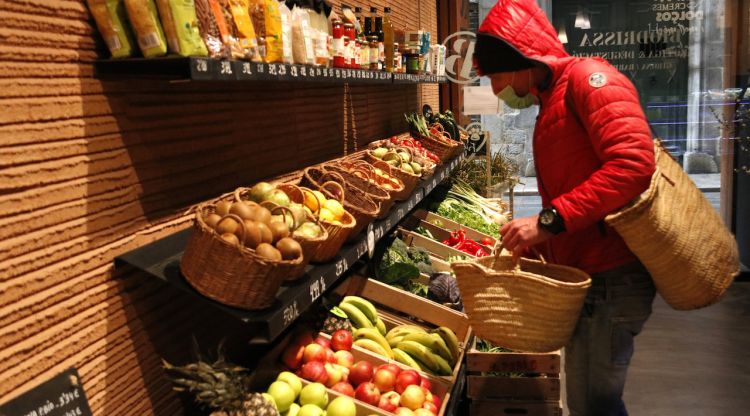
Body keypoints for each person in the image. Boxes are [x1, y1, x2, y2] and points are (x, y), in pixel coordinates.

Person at [473, 1, 657, 415]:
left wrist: (549, 222)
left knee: (596, 405)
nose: (497, 89)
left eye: (498, 76)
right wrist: (546, 247)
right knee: (590, 401)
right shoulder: (552, 97)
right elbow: (575, 180)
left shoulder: (590, 82)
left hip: (612, 276)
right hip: (588, 274)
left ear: (523, 61)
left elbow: (633, 165)